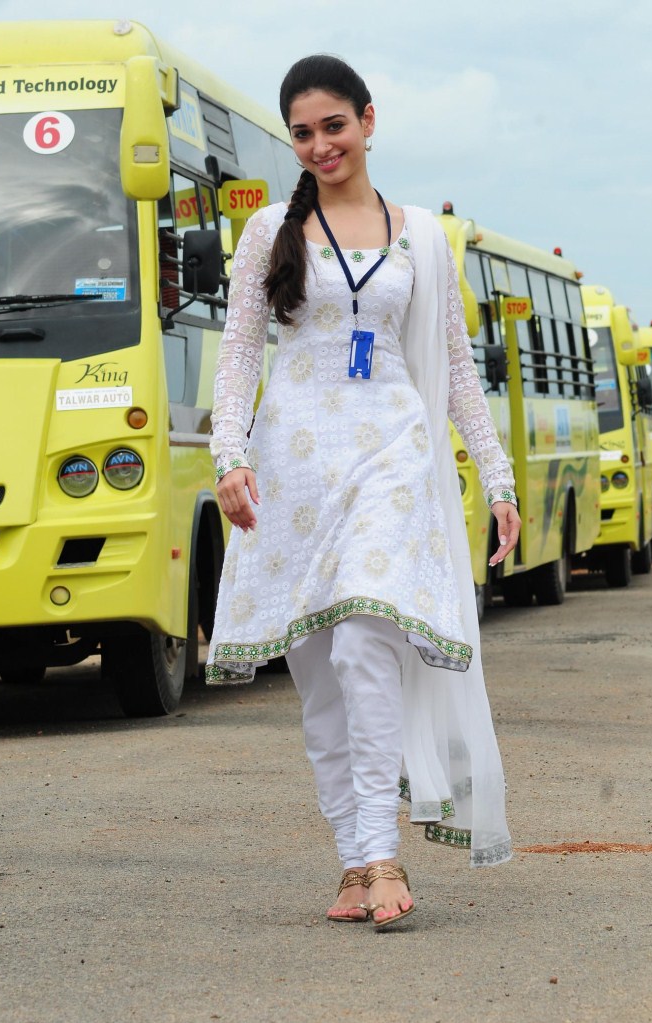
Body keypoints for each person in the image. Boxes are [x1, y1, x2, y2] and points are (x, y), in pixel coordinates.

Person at [206, 54, 521, 929]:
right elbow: (239, 351)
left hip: (392, 455)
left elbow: (455, 367)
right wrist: (229, 456)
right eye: (302, 133)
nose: (320, 145)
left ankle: (382, 855)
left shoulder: (421, 236)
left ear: (369, 121)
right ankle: (352, 861)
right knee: (318, 679)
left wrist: (497, 477)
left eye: (334, 126)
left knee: (359, 647)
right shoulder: (267, 231)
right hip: (295, 470)